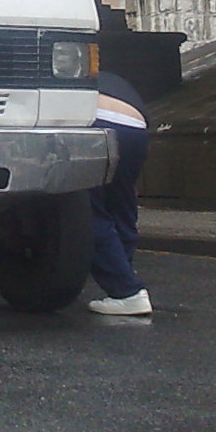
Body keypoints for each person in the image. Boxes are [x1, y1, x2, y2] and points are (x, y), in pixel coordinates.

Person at [87, 72, 153, 316]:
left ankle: (126, 291)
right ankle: (123, 276)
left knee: (86, 209)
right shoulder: (107, 76)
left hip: (96, 122)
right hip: (136, 126)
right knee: (121, 205)